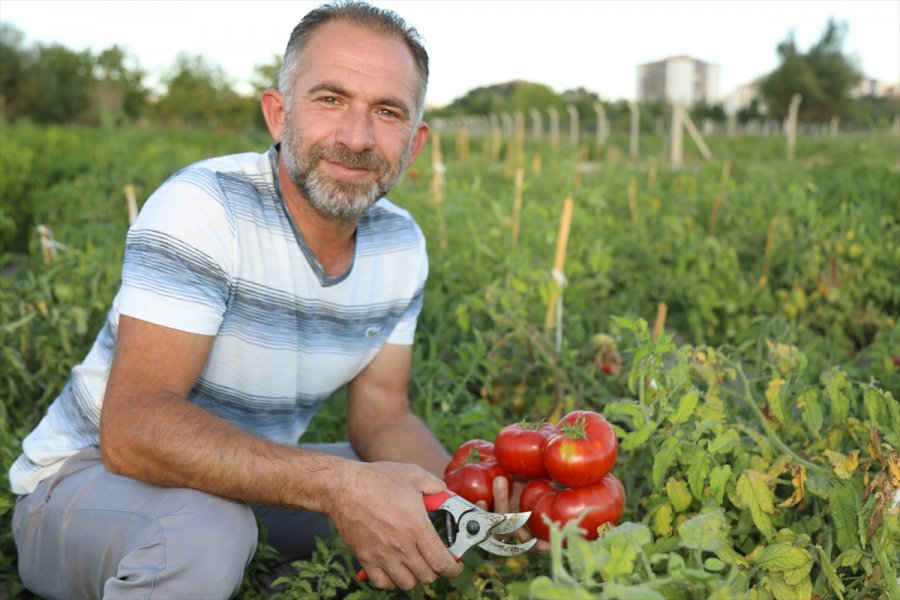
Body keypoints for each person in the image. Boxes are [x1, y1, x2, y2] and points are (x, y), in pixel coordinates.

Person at [7, 1, 499, 596]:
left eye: (387, 112)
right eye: (330, 99)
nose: (356, 137)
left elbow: (383, 415)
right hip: (87, 483)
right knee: (211, 530)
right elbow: (133, 428)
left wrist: (469, 501)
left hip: (240, 484)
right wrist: (338, 487)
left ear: (415, 142)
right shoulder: (207, 208)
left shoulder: (400, 245)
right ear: (278, 114)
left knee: (406, 495)